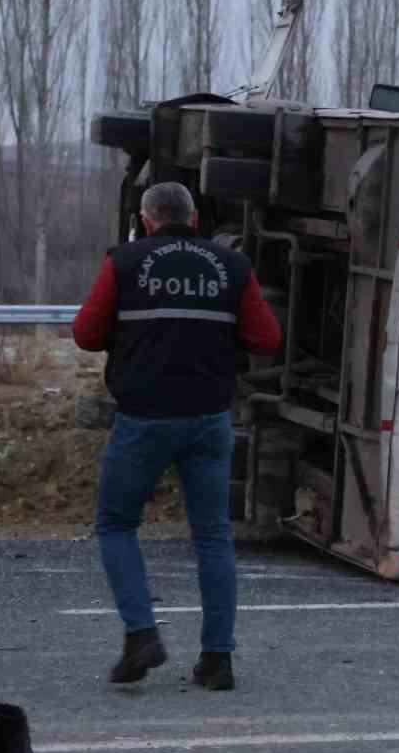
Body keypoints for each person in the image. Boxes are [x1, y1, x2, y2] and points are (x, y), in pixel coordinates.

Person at [71, 181, 282, 691]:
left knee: (117, 525)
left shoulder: (124, 262)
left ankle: (142, 634)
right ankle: (218, 659)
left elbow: (85, 334)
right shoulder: (231, 266)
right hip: (209, 420)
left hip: (142, 419)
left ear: (147, 220)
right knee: (212, 536)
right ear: (192, 218)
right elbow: (267, 339)